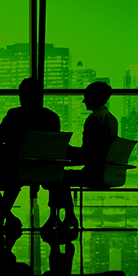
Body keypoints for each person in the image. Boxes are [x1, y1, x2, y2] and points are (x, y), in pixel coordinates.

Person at [0, 77, 61, 233]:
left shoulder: (15, 115)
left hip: (16, 169)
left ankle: (6, 218)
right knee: (13, 177)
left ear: (23, 96)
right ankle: (3, 218)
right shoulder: (52, 118)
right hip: (44, 171)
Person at [44, 82, 117, 239]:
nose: (84, 100)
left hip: (94, 173)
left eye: (86, 96)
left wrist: (65, 149)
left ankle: (63, 216)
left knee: (58, 177)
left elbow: (87, 154)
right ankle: (61, 216)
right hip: (105, 171)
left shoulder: (92, 120)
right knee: (59, 177)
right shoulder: (112, 119)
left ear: (94, 98)